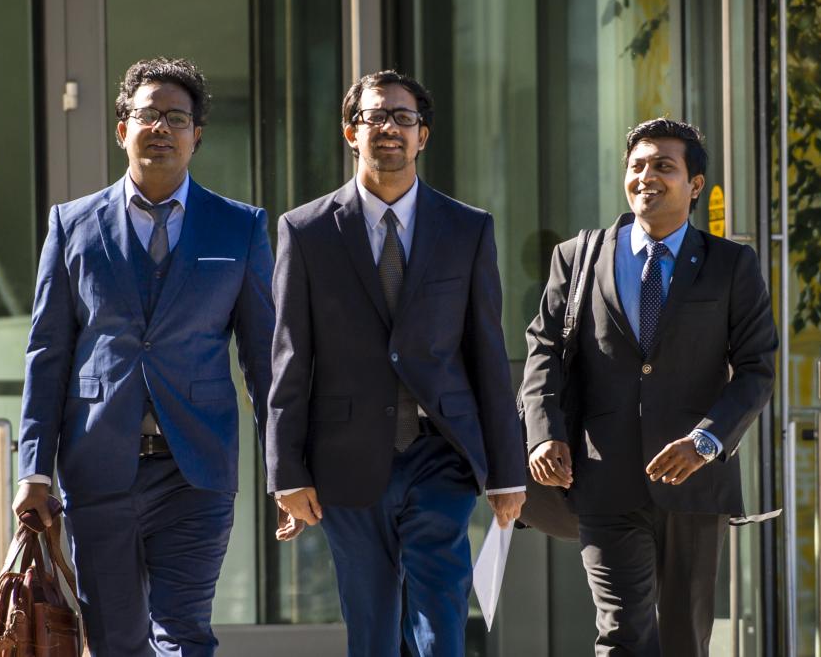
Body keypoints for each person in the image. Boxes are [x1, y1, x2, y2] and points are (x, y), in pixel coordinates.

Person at [14, 58, 273, 656]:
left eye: (176, 118)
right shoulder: (72, 225)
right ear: (120, 128)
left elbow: (263, 361)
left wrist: (287, 469)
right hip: (99, 465)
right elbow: (47, 355)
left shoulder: (239, 228)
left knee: (184, 634)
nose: (161, 128)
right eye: (147, 115)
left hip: (197, 470)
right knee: (115, 641)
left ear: (197, 135)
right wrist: (34, 469)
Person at [265, 70, 527, 656]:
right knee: (373, 626)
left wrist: (507, 471)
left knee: (441, 619)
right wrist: (286, 471)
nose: (388, 128)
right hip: (345, 461)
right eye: (375, 117)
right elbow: (289, 358)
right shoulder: (304, 231)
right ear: (349, 133)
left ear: (423, 136)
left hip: (442, 454)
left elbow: (486, 351)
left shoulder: (468, 228)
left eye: (403, 118)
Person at [519, 118, 778, 656]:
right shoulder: (578, 257)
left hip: (695, 482)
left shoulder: (732, 265)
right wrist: (544, 434)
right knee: (623, 633)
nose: (647, 177)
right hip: (604, 479)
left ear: (695, 184)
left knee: (685, 638)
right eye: (637, 166)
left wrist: (707, 440)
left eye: (664, 166)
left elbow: (757, 369)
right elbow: (543, 349)